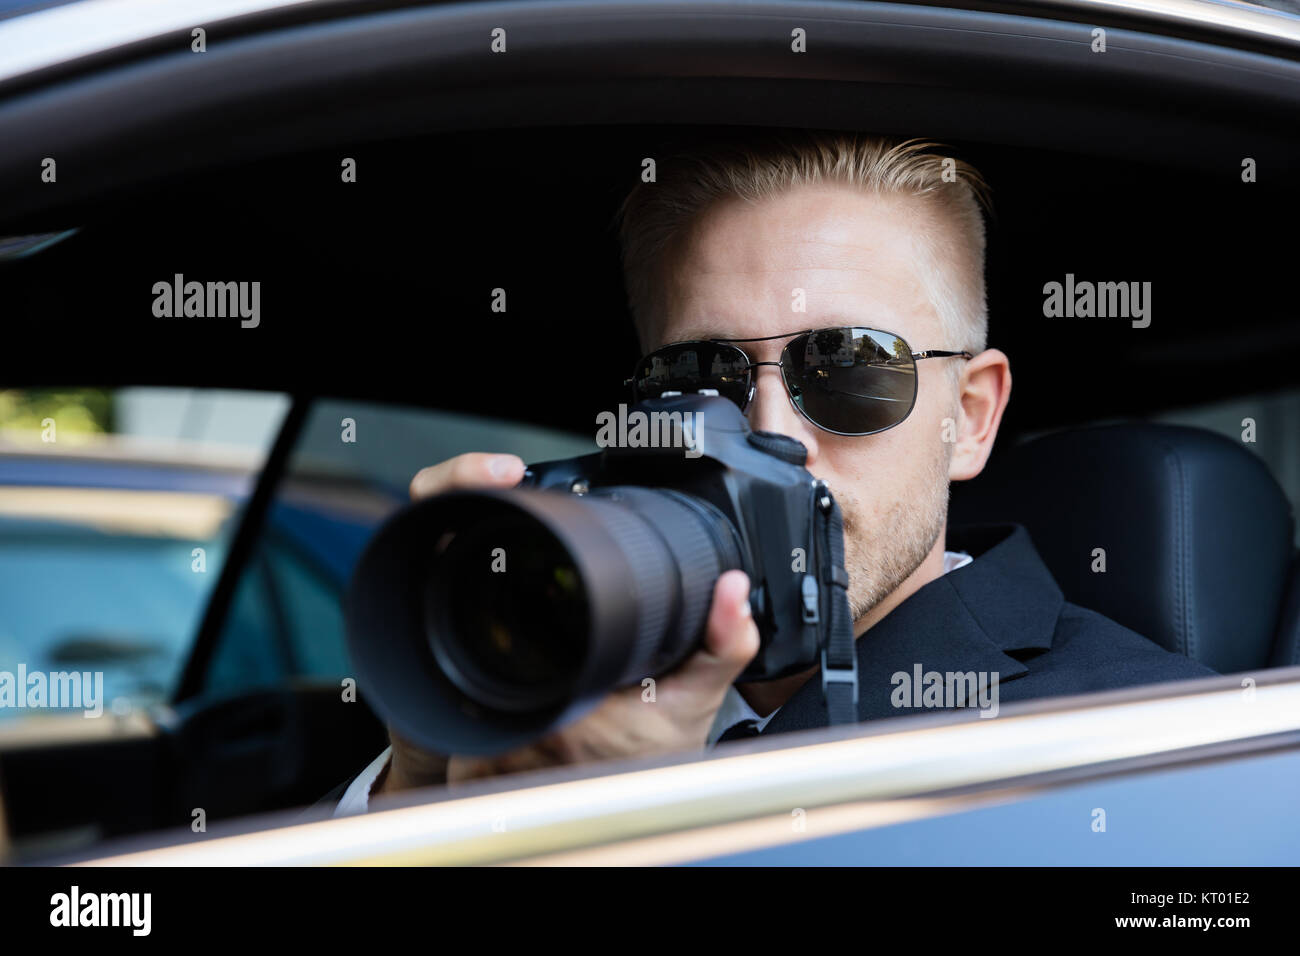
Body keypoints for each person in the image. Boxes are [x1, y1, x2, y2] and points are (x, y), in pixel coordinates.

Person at [326, 131, 1215, 815]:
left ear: (971, 416)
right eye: (700, 380)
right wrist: (423, 771)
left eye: (851, 370)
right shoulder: (555, 664)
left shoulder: (1162, 744)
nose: (771, 431)